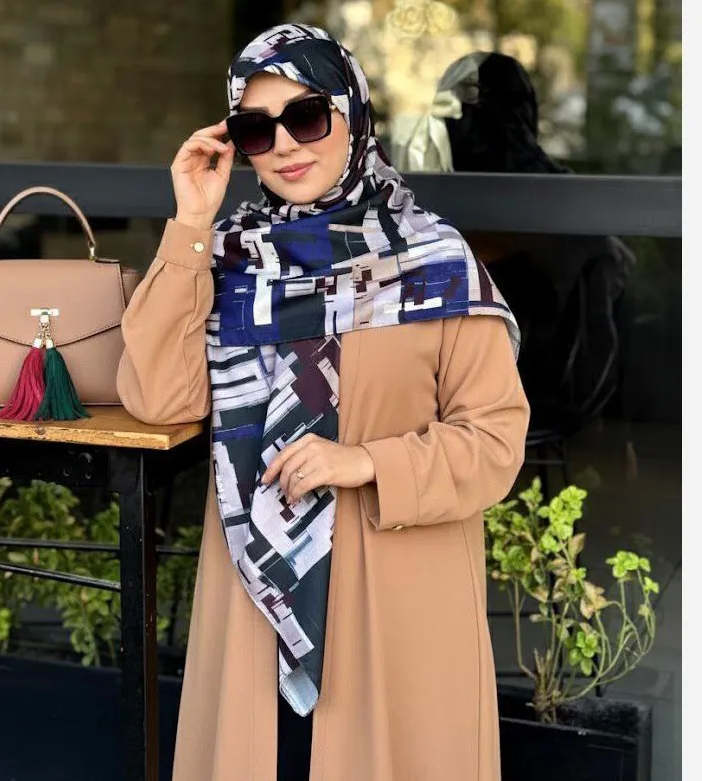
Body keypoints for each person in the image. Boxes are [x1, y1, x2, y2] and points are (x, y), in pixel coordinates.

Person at [117, 24, 529, 781]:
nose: (283, 144)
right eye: (255, 128)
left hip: (396, 601)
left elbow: (495, 441)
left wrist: (364, 461)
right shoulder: (227, 261)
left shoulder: (431, 261)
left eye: (306, 115)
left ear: (353, 114)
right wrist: (191, 225)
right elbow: (157, 397)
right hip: (254, 601)